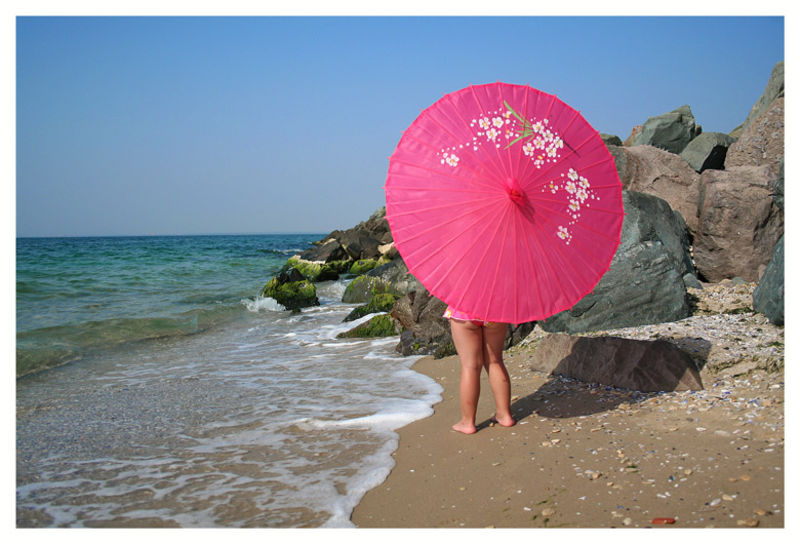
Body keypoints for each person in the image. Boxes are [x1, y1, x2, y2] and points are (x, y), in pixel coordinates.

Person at [443, 306, 515, 434]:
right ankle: (504, 415)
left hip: (464, 311)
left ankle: (467, 422)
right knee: (495, 361)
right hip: (496, 311)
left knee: (470, 366)